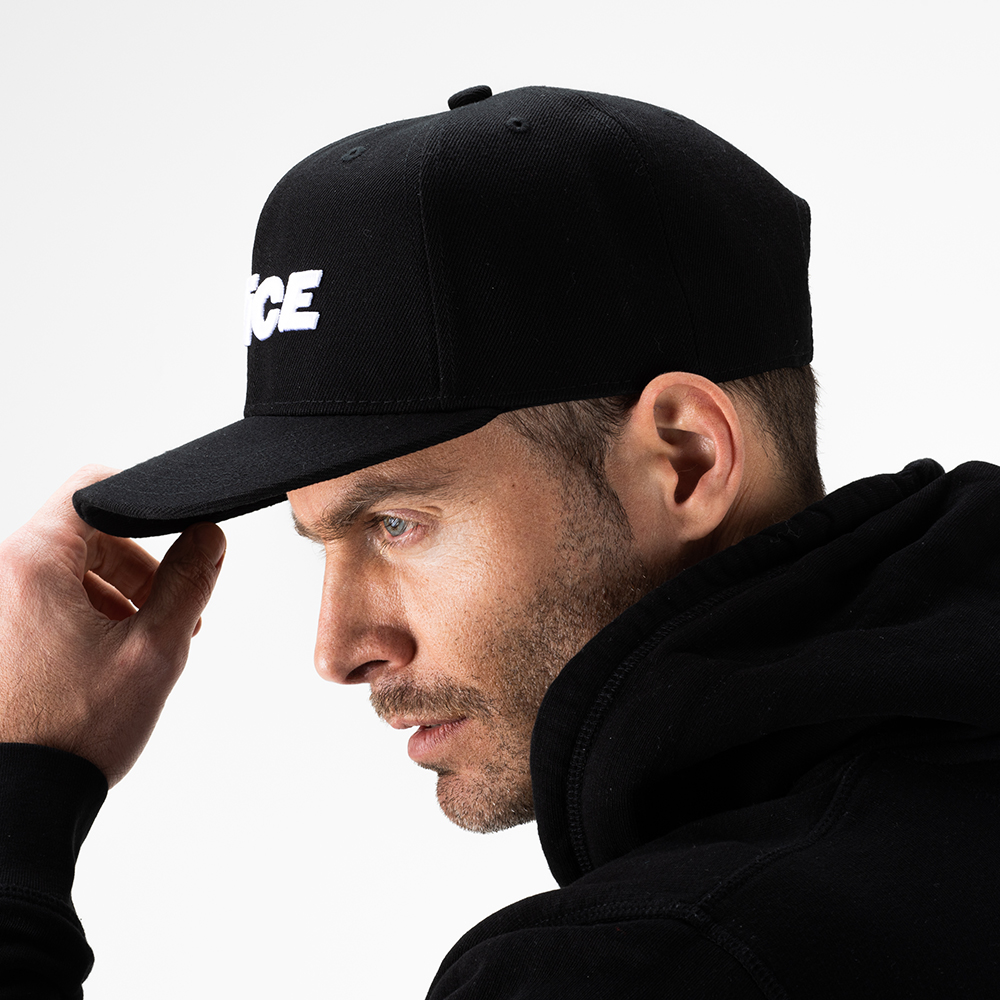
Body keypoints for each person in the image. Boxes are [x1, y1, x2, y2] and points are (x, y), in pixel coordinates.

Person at [1, 84, 997, 998]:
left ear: (685, 459)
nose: (339, 650)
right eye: (320, 543)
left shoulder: (640, 967)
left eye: (395, 522)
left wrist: (20, 794)